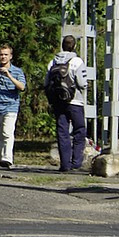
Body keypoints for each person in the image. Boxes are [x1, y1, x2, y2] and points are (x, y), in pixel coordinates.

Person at [46, 35, 88, 171]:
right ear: (74, 46)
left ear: (62, 46)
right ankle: (76, 162)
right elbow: (82, 83)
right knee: (79, 130)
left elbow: (46, 83)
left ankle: (65, 164)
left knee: (62, 132)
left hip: (59, 101)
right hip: (75, 101)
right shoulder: (77, 61)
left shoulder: (53, 62)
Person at [0, 44, 27, 168]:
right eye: (1, 54)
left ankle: (8, 158)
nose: (3, 57)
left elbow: (22, 87)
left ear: (10, 56)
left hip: (11, 106)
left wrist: (9, 76)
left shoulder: (17, 71)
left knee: (7, 132)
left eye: (6, 54)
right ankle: (2, 158)